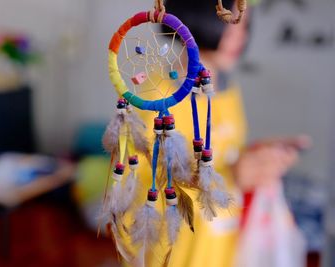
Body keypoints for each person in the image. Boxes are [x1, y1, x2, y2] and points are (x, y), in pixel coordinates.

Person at [131, 0, 311, 266]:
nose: (240, 36)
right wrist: (231, 175)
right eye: (229, 23)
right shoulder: (156, 98)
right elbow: (141, 191)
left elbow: (226, 154)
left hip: (224, 251)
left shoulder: (228, 93)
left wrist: (260, 155)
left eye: (244, 25)